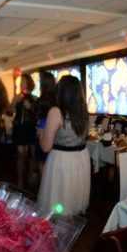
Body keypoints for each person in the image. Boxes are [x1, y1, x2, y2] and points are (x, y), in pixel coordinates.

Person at [37, 75, 90, 215]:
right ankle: (70, 221)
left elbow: (46, 147)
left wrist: (41, 134)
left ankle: (60, 224)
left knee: (58, 201)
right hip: (81, 159)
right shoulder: (83, 111)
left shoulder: (56, 112)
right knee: (72, 198)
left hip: (62, 160)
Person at [11, 73, 37, 189]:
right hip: (19, 128)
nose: (21, 83)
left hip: (31, 128)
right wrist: (14, 103)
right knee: (21, 154)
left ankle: (30, 176)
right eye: (20, 81)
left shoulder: (35, 98)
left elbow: (37, 115)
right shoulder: (17, 97)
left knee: (33, 154)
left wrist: (30, 107)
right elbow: (9, 112)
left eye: (23, 81)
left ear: (29, 83)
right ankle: (20, 179)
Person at [33, 72, 57, 179]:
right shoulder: (57, 99)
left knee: (42, 161)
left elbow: (36, 117)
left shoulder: (40, 100)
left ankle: (44, 184)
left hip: (42, 129)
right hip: (54, 130)